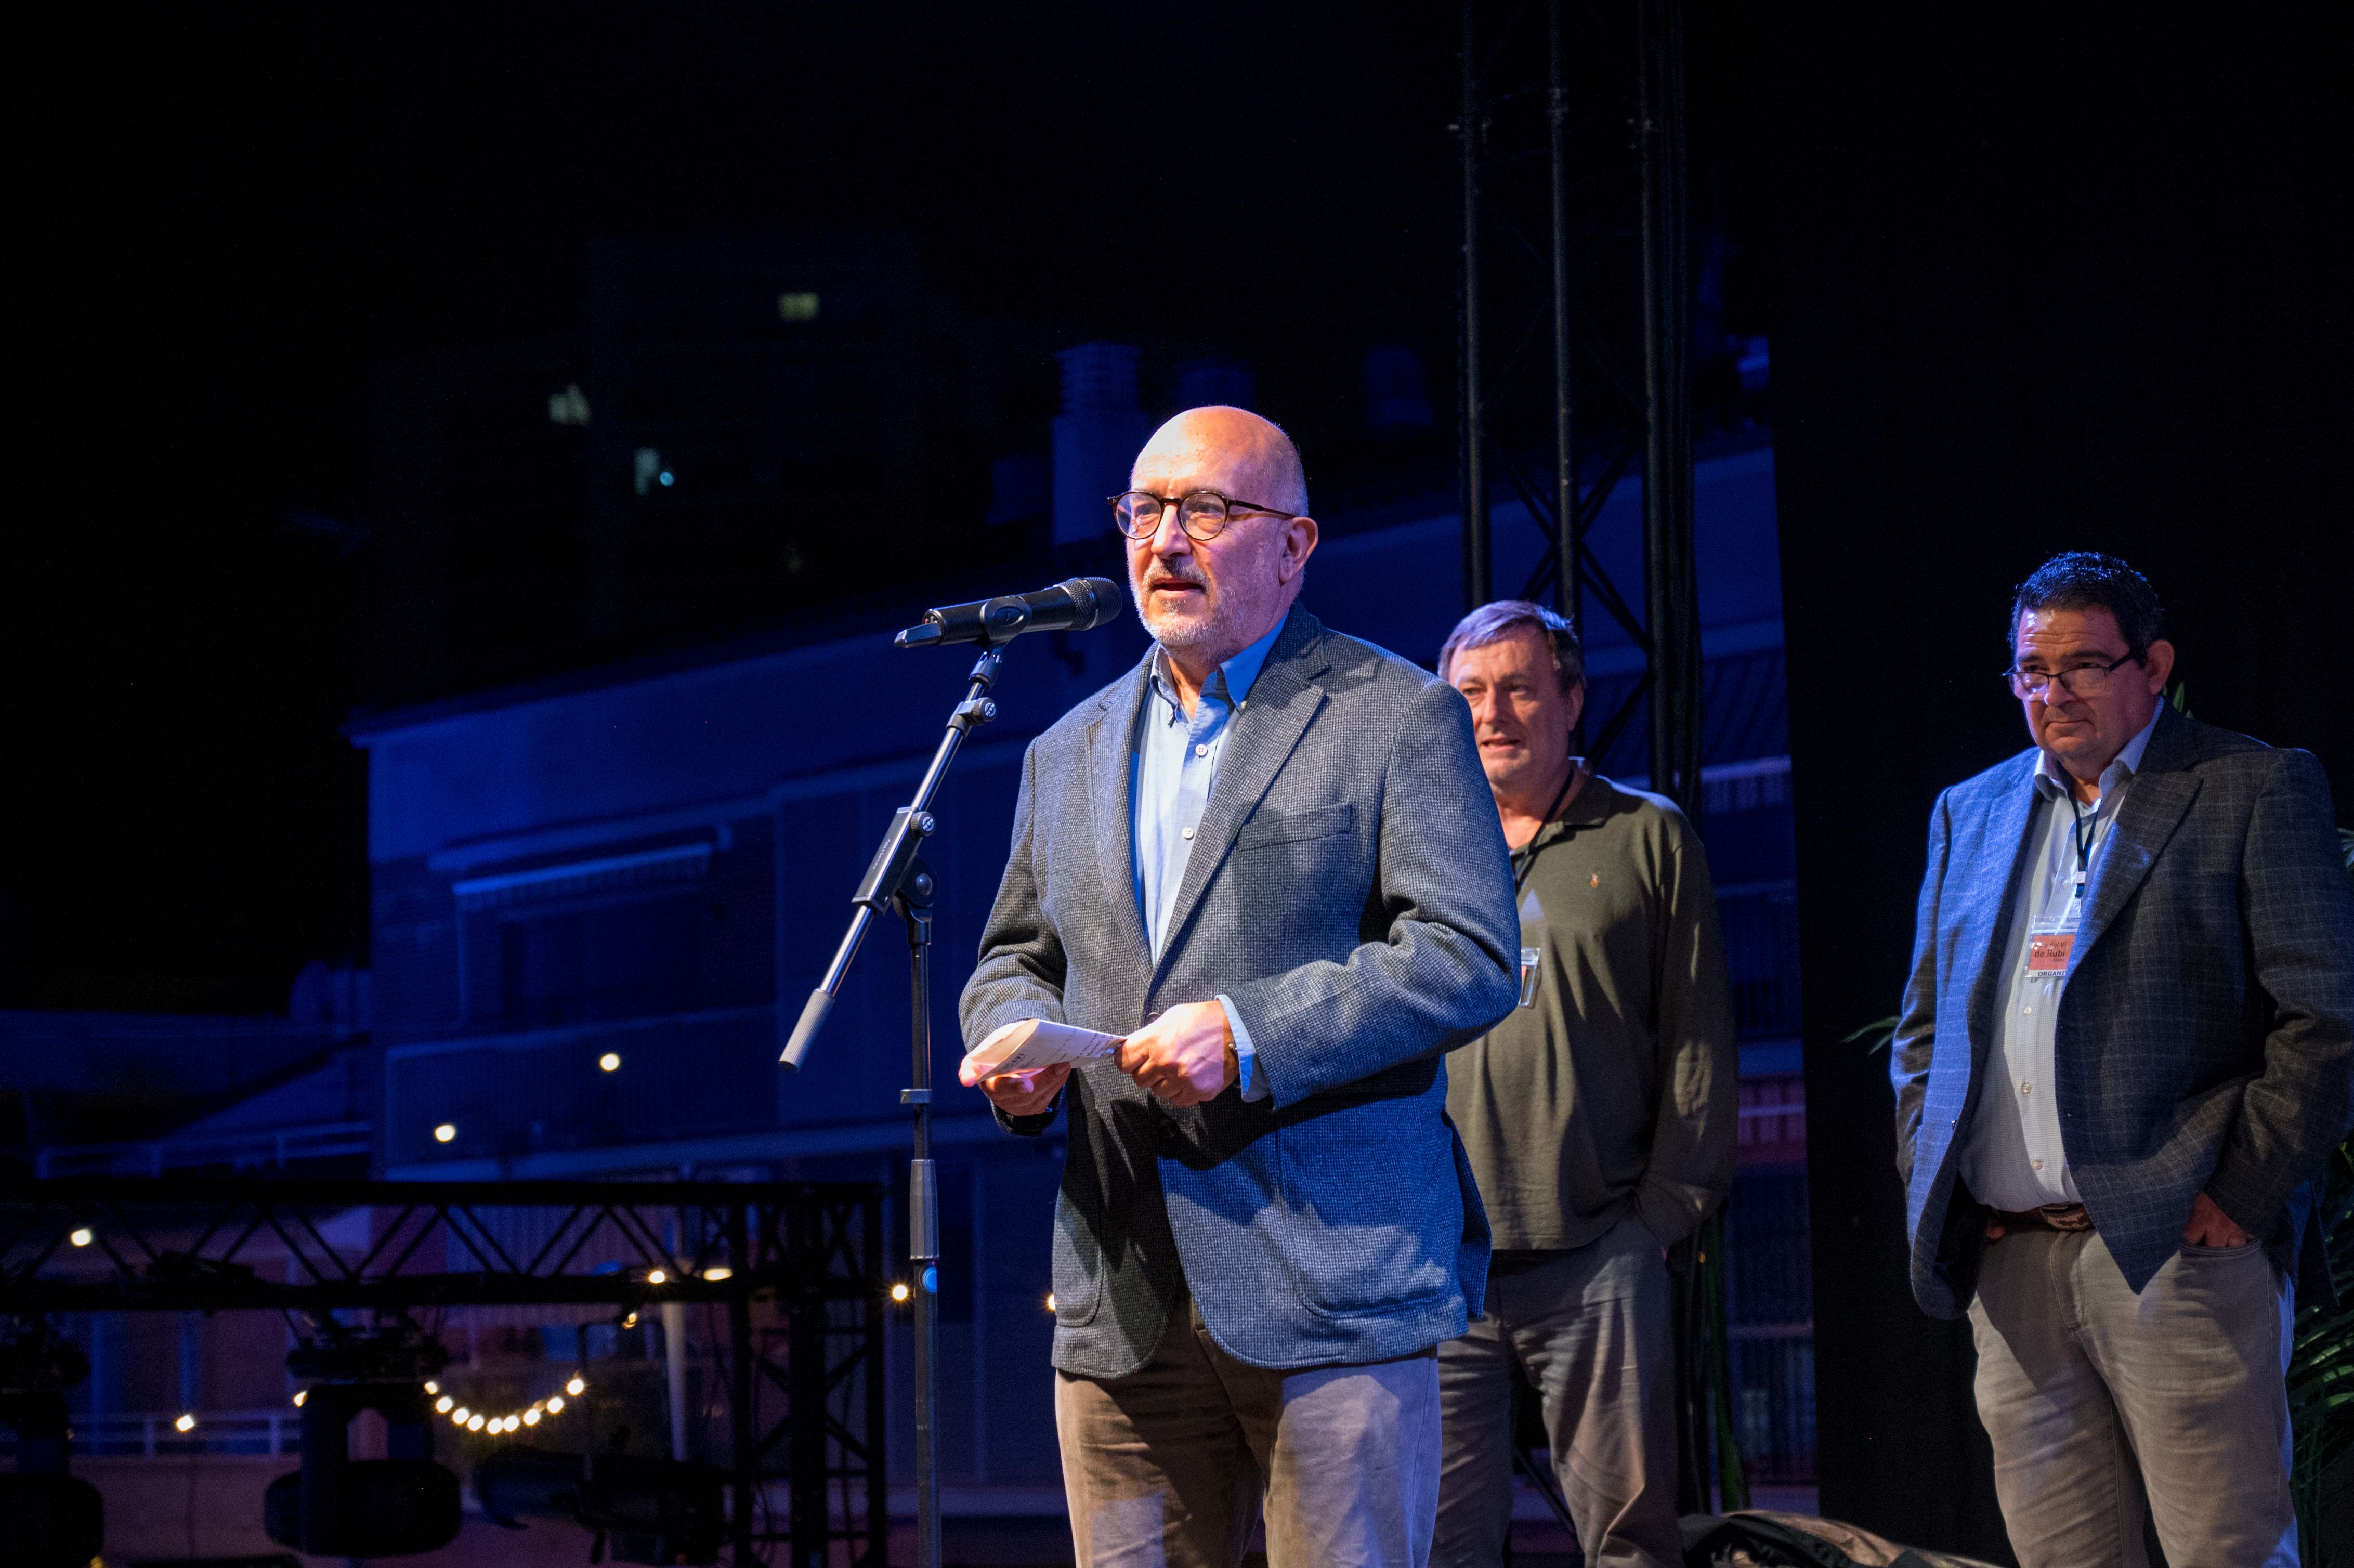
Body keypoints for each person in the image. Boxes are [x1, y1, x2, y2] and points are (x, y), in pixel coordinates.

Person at [957, 406, 1522, 1568]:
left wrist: (1249, 1030)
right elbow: (1012, 954)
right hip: (1120, 1288)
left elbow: (1467, 952)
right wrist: (1011, 1043)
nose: (1164, 537)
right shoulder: (1061, 749)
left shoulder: (1393, 715)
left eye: (1205, 509)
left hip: (1330, 1282)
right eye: (1142, 508)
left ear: (1293, 544)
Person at [1891, 551, 2354, 1568]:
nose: (2050, 694)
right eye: (2028, 671)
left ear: (2151, 664)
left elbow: (2320, 1019)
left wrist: (2238, 1193)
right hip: (2008, 1260)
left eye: (2079, 666)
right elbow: (1921, 1033)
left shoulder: (2247, 784)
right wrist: (1933, 1171)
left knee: (2222, 1551)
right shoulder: (1966, 812)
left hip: (2180, 1252)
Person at [1430, 600, 1737, 1568]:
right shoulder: (1416, 849)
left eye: (1520, 688)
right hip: (1443, 1267)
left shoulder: (1648, 836)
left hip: (1601, 1252)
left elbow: (1697, 1041)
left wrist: (1659, 1219)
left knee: (1630, 1542)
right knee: (1440, 1541)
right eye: (1471, 693)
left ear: (1571, 699)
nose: (1495, 713)